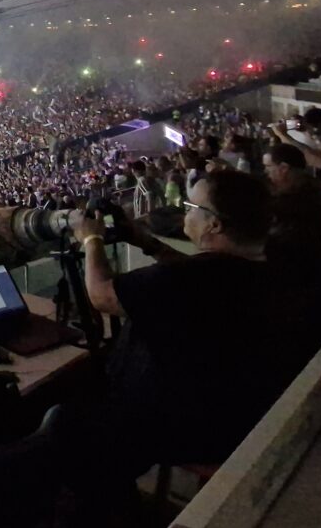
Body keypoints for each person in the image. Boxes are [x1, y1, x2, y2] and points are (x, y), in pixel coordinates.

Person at [71, 169, 294, 483]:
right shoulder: (268, 271)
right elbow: (197, 275)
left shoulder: (190, 280)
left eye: (191, 207)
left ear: (214, 224)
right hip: (236, 415)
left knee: (68, 425)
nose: (184, 212)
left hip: (182, 429)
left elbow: (102, 295)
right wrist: (146, 242)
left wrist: (91, 239)